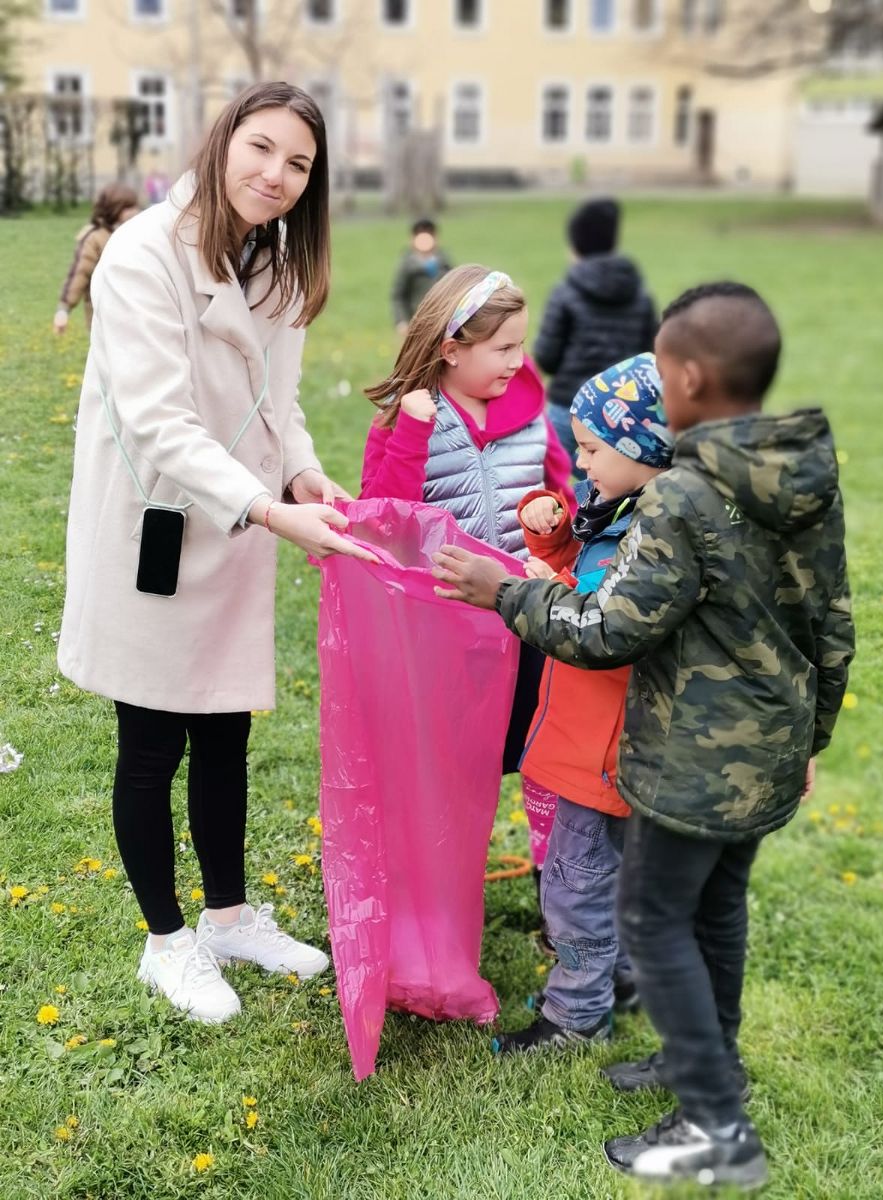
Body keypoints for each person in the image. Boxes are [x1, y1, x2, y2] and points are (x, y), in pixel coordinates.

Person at [432, 281, 854, 1190]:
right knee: (714, 917)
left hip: (692, 764)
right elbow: (832, 623)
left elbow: (607, 631)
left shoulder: (681, 501)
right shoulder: (798, 476)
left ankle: (714, 1127)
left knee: (655, 923)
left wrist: (503, 592)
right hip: (766, 758)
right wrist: (809, 741)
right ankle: (706, 1066)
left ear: (694, 378)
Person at [57, 82, 375, 1026]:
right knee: (151, 744)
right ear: (222, 138)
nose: (276, 176)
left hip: (236, 526)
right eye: (262, 148)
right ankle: (167, 943)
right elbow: (158, 424)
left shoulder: (274, 267)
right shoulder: (140, 256)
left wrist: (306, 476)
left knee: (227, 734)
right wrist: (272, 514)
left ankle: (230, 914)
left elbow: (280, 403)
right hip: (154, 525)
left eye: (299, 165)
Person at [493, 353, 673, 1055]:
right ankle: (619, 982)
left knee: (573, 893)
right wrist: (551, 538)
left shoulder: (648, 539)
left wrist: (537, 591)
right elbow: (584, 569)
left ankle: (574, 1015)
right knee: (617, 884)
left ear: (641, 445)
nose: (581, 462)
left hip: (597, 756)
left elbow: (605, 629)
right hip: (608, 751)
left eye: (594, 449)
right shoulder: (633, 515)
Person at [361, 263, 574, 785]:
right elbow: (382, 526)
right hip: (443, 631)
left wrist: (551, 520)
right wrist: (412, 432)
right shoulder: (404, 417)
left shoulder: (532, 418)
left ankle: (557, 866)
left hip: (523, 619)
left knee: (539, 752)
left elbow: (565, 509)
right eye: (503, 349)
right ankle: (444, 863)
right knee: (451, 765)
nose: (517, 362)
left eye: (519, 345)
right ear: (451, 348)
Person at [533, 197, 657, 476]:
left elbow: (547, 358)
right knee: (610, 491)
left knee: (552, 480)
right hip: (624, 415)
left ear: (576, 246)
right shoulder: (639, 293)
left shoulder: (566, 292)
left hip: (569, 409)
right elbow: (649, 354)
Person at [53, 183, 141, 335]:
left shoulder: (139, 233)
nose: (135, 212)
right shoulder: (94, 238)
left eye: (135, 207)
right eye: (128, 208)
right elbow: (80, 274)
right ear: (114, 209)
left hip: (136, 312)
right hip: (104, 314)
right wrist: (63, 310)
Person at [390, 217, 452, 335]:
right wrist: (401, 320)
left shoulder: (444, 262)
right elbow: (399, 296)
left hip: (443, 321)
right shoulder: (407, 265)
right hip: (417, 322)